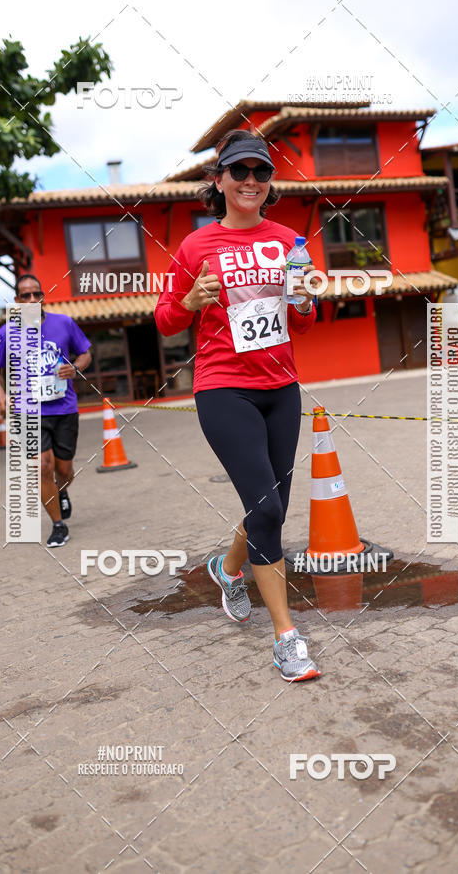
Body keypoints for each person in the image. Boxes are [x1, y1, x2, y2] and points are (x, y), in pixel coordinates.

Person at [155, 129, 321, 682]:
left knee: (268, 503)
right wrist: (188, 301)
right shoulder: (196, 247)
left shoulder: (288, 241)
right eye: (240, 171)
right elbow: (164, 319)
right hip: (224, 387)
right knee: (270, 512)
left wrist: (303, 299)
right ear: (218, 179)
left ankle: (228, 570)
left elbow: (304, 317)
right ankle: (287, 638)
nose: (251, 181)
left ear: (270, 184)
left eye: (261, 172)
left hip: (282, 388)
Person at [0, 274, 92, 547]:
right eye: (26, 296)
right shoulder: (6, 333)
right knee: (43, 467)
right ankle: (58, 525)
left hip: (64, 408)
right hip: (28, 412)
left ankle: (62, 490)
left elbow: (85, 353)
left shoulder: (64, 323)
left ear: (43, 296)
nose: (32, 300)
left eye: (37, 294)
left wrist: (76, 367)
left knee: (64, 469)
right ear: (17, 301)